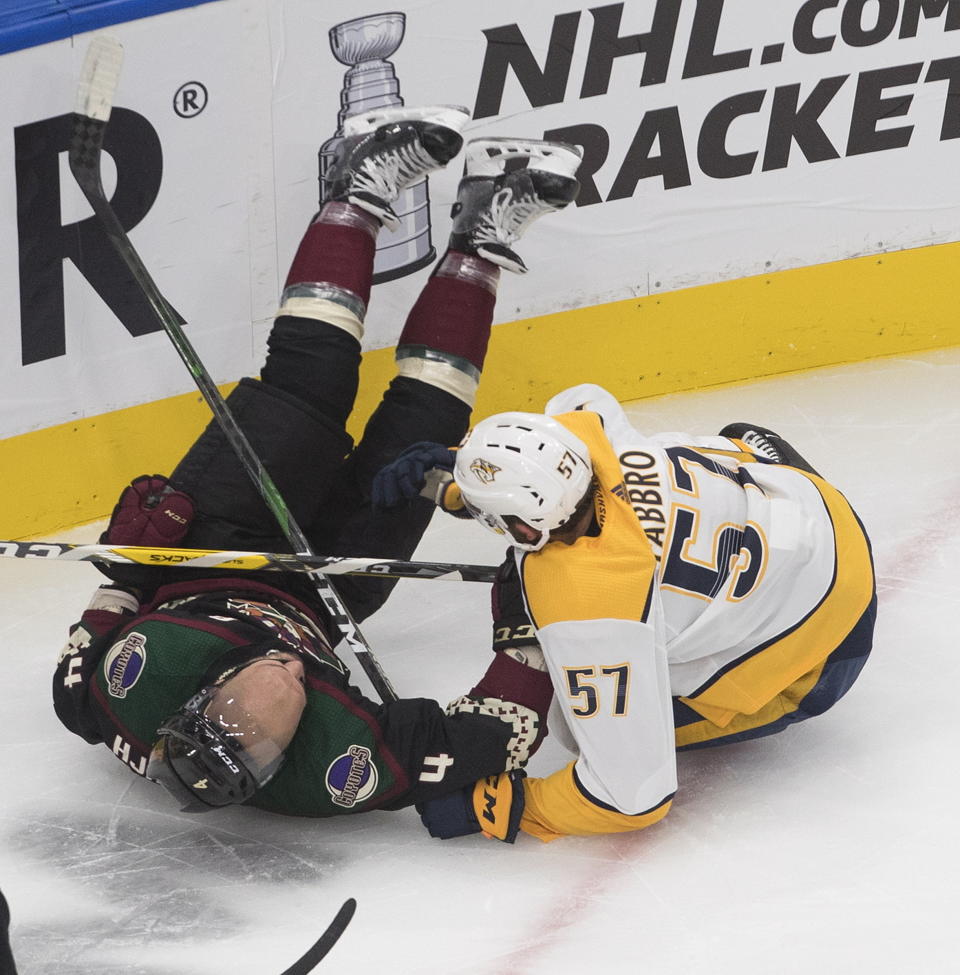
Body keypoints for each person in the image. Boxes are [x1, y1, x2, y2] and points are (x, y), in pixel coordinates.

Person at [53, 104, 584, 819]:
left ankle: (356, 186)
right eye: (300, 689)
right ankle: (480, 237)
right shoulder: (331, 764)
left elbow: (106, 613)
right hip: (333, 585)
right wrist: (530, 638)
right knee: (428, 430)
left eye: (273, 669)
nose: (294, 666)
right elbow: (485, 738)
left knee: (313, 377)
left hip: (219, 541)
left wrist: (133, 557)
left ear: (203, 693)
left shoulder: (123, 686)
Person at [374, 384, 876, 842]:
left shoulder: (589, 607)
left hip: (829, 644)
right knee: (719, 445)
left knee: (577, 728)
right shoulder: (586, 428)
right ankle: (755, 459)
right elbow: (540, 468)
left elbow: (631, 798)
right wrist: (461, 479)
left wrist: (504, 807)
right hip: (816, 509)